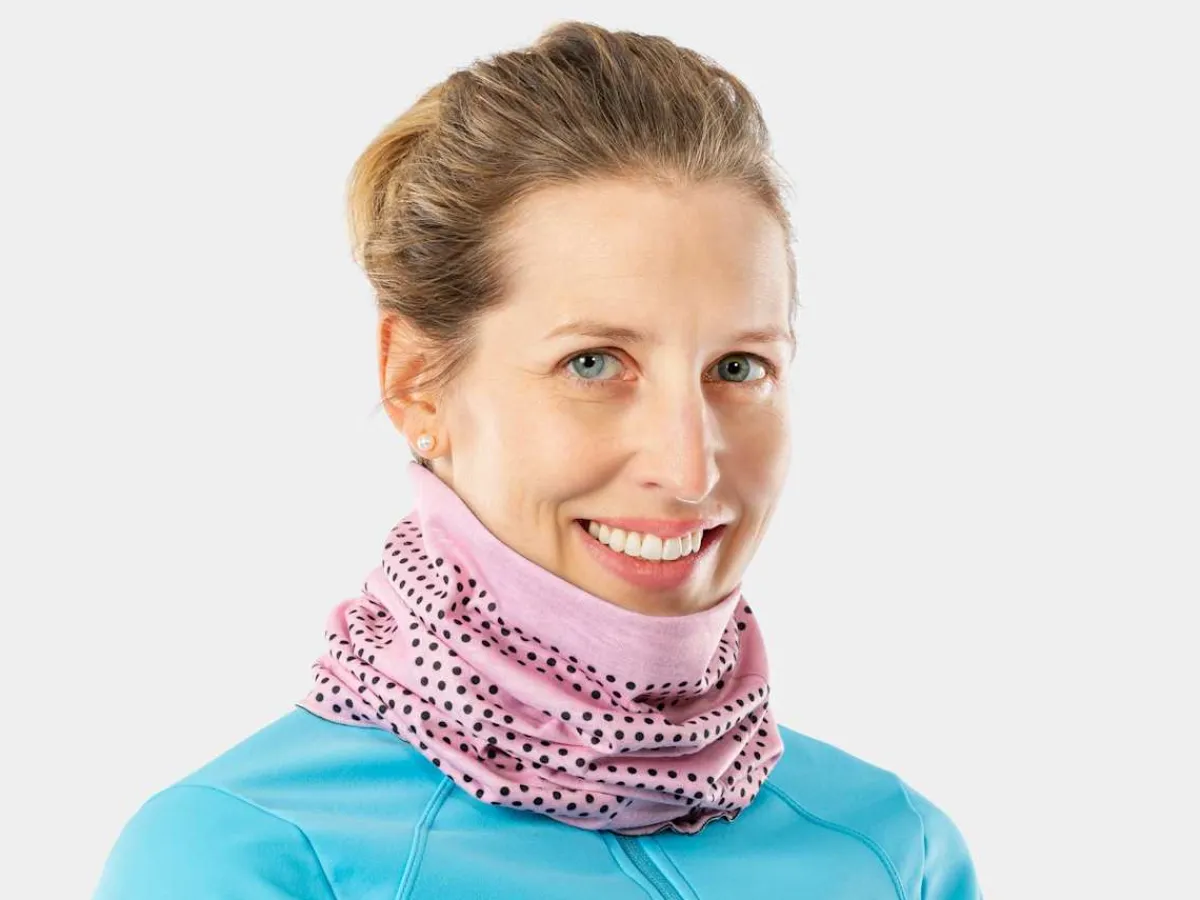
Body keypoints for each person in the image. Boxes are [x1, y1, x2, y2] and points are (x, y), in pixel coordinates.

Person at [94, 20, 981, 899]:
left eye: (739, 368)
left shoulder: (893, 847)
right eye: (592, 364)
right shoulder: (242, 855)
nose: (690, 470)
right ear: (416, 384)